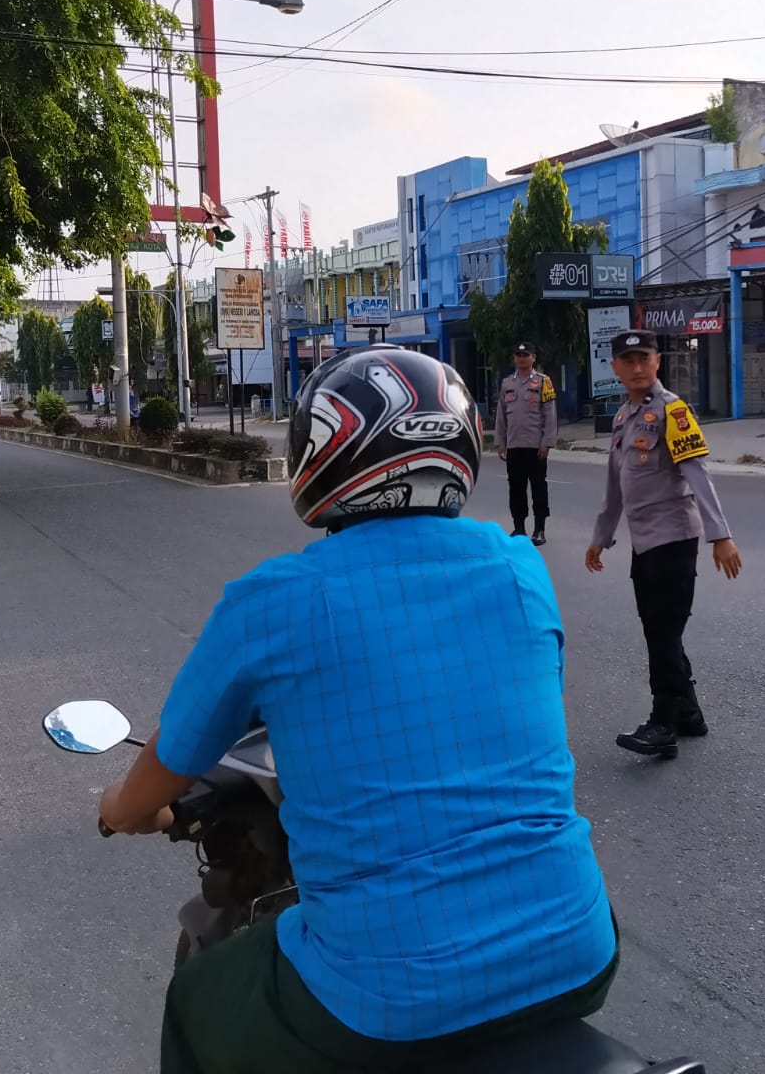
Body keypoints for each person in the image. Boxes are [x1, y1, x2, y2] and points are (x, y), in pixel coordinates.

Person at [94, 345, 618, 1074]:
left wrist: (122, 809)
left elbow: (167, 762)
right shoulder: (519, 567)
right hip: (579, 951)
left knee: (194, 1001)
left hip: (385, 994)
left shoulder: (273, 599)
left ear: (323, 453)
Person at [585, 329, 742, 760]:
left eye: (644, 358)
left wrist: (720, 535)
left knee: (662, 632)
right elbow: (616, 487)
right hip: (644, 543)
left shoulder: (673, 412)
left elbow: (697, 474)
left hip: (675, 538)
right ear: (615, 367)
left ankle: (663, 724)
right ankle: (688, 714)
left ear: (658, 362)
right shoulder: (622, 419)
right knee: (660, 629)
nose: (637, 367)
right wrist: (601, 536)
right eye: (628, 360)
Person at [494, 341, 557, 546]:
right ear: (514, 358)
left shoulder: (543, 382)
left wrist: (547, 442)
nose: (522, 358)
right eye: (519, 355)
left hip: (535, 446)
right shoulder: (507, 383)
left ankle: (539, 529)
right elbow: (501, 416)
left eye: (526, 355)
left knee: (539, 487)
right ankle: (519, 528)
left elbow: (549, 414)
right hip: (514, 446)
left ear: (533, 358)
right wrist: (500, 442)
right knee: (516, 488)